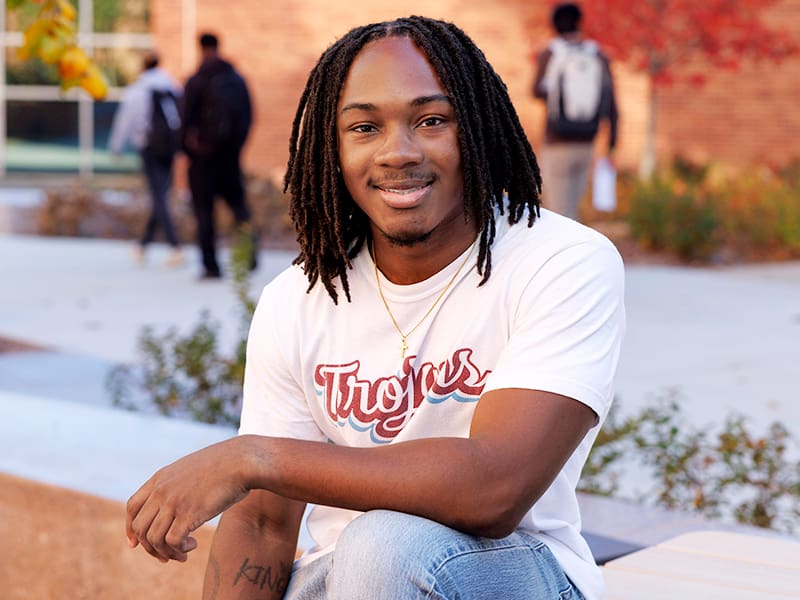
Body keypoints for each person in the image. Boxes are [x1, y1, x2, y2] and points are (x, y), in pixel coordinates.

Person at [126, 16, 625, 600]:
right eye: (364, 127)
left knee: (382, 544)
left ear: (476, 130)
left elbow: (496, 487)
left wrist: (252, 458)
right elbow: (264, 524)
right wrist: (255, 468)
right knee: (345, 565)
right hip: (343, 582)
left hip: (510, 577)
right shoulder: (300, 298)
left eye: (432, 120)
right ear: (332, 150)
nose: (398, 153)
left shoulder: (561, 261)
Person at [532, 2, 618, 221]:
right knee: (573, 212)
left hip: (556, 142)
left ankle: (566, 254)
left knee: (557, 214)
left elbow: (535, 91)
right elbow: (612, 102)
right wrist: (611, 144)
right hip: (587, 141)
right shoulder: (598, 55)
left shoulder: (551, 53)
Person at [181, 32, 256, 279]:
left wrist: (190, 150)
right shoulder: (236, 80)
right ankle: (250, 255)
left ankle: (211, 266)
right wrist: (235, 148)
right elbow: (248, 117)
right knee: (239, 208)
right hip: (229, 158)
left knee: (204, 213)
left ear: (201, 48)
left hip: (202, 160)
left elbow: (183, 121)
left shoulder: (196, 80)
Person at [109, 51, 184, 267]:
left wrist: (116, 147)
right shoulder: (171, 86)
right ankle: (143, 245)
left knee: (158, 196)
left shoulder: (136, 91)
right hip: (169, 148)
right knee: (160, 194)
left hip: (148, 148)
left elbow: (124, 121)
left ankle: (174, 246)